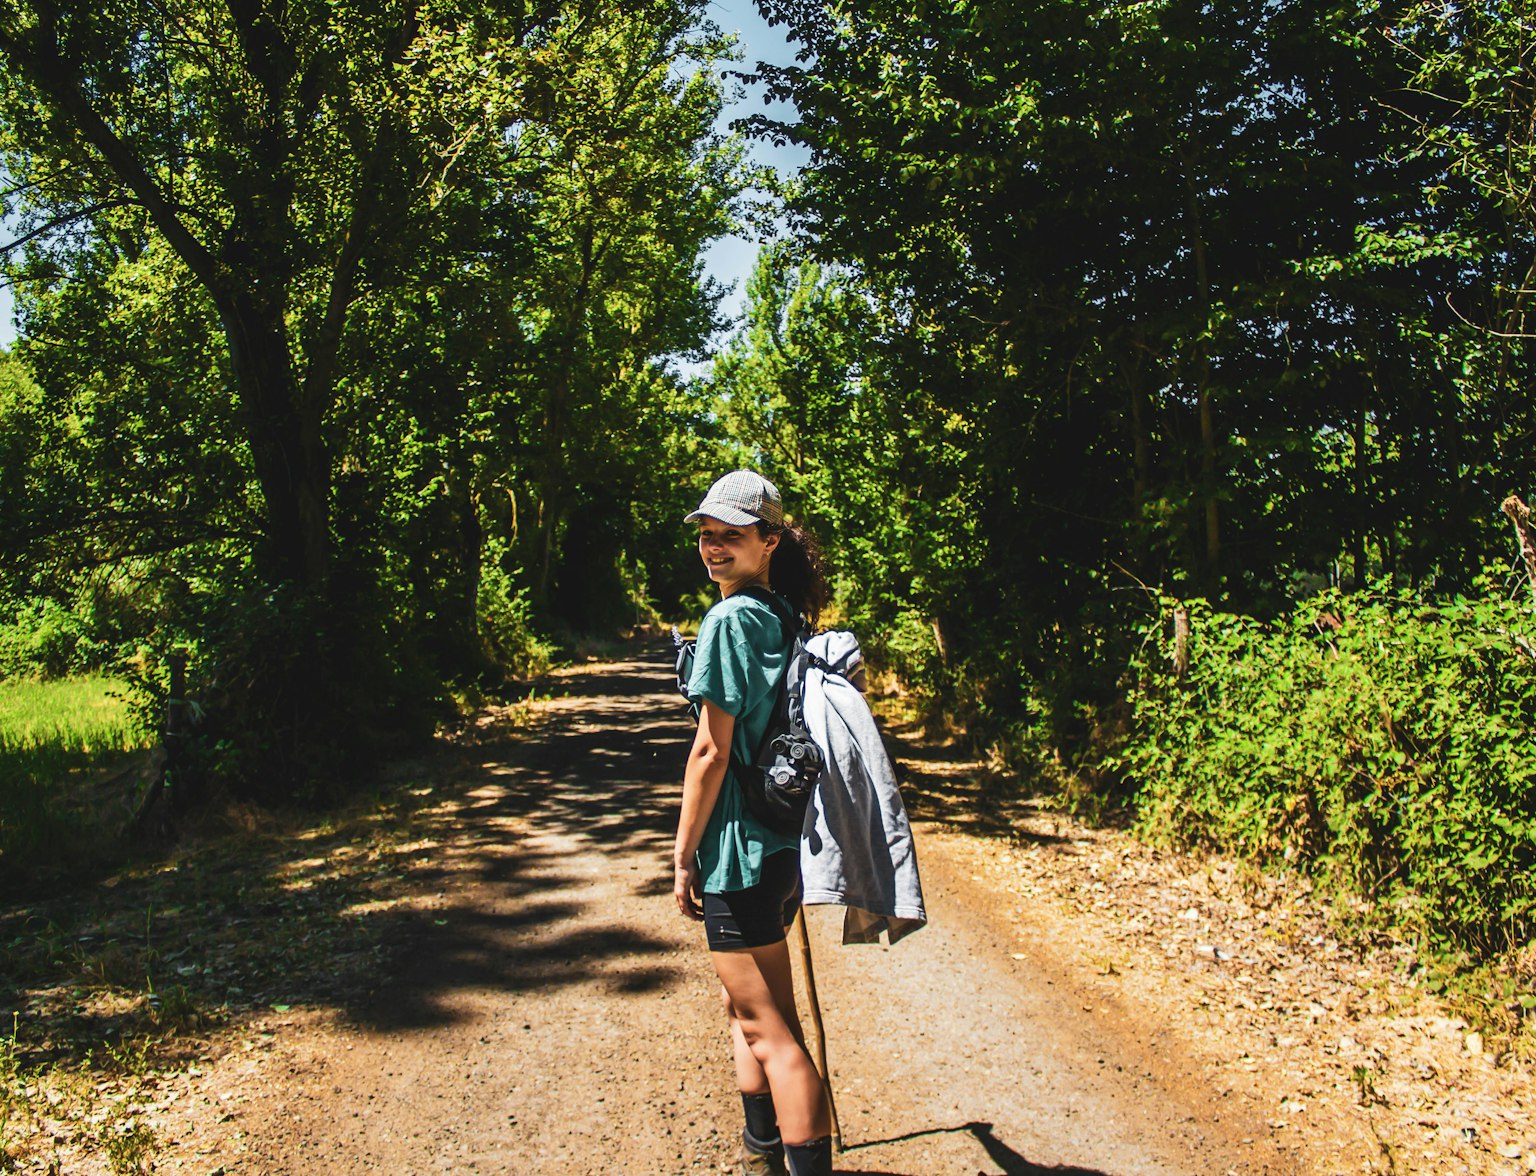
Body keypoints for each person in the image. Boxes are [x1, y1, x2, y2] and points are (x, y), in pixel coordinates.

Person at [674, 470, 835, 1176]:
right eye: (708, 536)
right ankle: (762, 1146)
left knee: (771, 1031)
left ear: (768, 542)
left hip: (738, 849)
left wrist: (683, 856)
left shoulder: (730, 620)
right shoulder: (779, 614)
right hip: (777, 847)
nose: (714, 548)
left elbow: (711, 749)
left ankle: (792, 1158)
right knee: (752, 1009)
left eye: (731, 537)